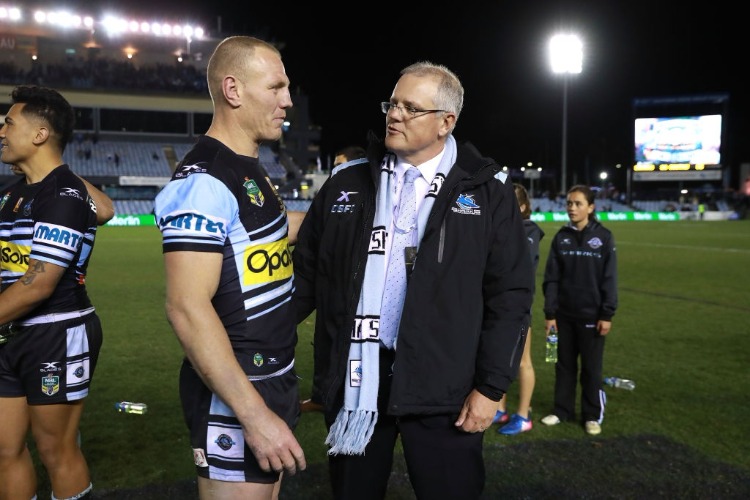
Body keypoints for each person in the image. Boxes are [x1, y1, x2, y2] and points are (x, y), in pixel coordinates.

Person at [292, 61, 533, 499]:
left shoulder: (487, 193)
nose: (394, 114)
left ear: (446, 122)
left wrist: (490, 387)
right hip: (359, 379)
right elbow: (306, 275)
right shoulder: (347, 182)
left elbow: (510, 297)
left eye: (410, 107)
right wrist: (252, 341)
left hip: (448, 387)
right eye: (392, 103)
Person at [153, 36, 306, 500]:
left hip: (272, 375)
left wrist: (351, 212)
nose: (288, 100)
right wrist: (255, 416)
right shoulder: (203, 181)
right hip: (238, 392)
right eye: (276, 87)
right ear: (233, 90)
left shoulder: (250, 167)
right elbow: (185, 307)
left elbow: (274, 231)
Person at [0, 85, 105, 500]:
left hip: (55, 334)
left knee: (55, 450)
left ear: (40, 134)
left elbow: (38, 284)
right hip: (11, 331)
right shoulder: (11, 193)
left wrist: (61, 173)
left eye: (9, 123)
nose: (1, 132)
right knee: (6, 449)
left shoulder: (62, 193)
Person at [540, 184, 618, 436]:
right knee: (563, 365)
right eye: (569, 203)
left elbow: (609, 278)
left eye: (578, 203)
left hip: (592, 317)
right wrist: (550, 313)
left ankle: (592, 415)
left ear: (591, 207)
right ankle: (561, 410)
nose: (572, 208)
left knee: (591, 369)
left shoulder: (604, 237)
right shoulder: (561, 237)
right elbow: (551, 278)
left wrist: (607, 314)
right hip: (563, 316)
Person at [299, 143, 368, 414]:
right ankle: (325, 396)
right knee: (327, 346)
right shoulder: (333, 199)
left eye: (341, 165)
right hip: (331, 297)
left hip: (356, 305)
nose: (336, 172)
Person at [494, 183, 544, 435]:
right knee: (499, 359)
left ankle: (523, 415)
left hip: (518, 309)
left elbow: (517, 267)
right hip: (496, 308)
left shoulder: (529, 231)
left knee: (523, 362)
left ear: (523, 207)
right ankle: (500, 410)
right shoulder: (500, 228)